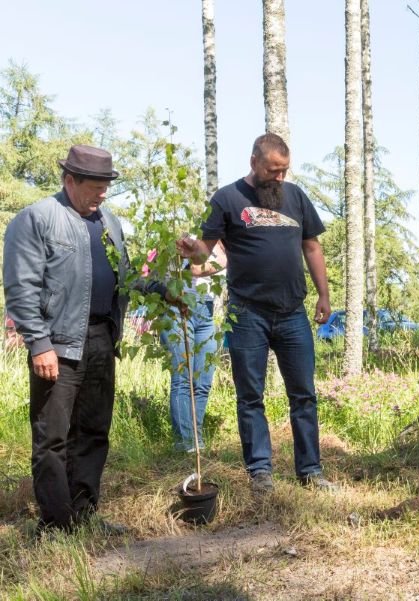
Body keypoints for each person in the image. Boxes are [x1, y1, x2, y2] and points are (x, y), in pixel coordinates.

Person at [3, 144, 168, 533]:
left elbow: (122, 278)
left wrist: (161, 289)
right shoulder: (37, 219)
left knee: (93, 431)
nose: (103, 193)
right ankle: (57, 525)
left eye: (107, 185)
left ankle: (85, 514)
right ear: (70, 180)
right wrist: (39, 344)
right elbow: (21, 288)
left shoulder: (108, 222)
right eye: (96, 185)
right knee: (53, 439)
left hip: (100, 339)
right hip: (57, 344)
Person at [177, 133, 334, 494]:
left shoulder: (295, 197)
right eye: (272, 170)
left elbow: (312, 246)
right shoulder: (228, 199)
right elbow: (206, 252)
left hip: (293, 312)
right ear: (253, 162)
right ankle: (260, 472)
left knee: (304, 395)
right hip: (247, 313)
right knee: (250, 396)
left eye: (284, 170)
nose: (279, 176)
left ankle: (310, 470)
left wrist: (324, 294)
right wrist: (191, 249)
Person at [160, 243, 227, 453]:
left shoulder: (232, 248)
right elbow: (196, 268)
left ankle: (195, 441)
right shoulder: (201, 240)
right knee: (183, 377)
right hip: (179, 307)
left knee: (203, 380)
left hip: (206, 312)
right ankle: (185, 443)